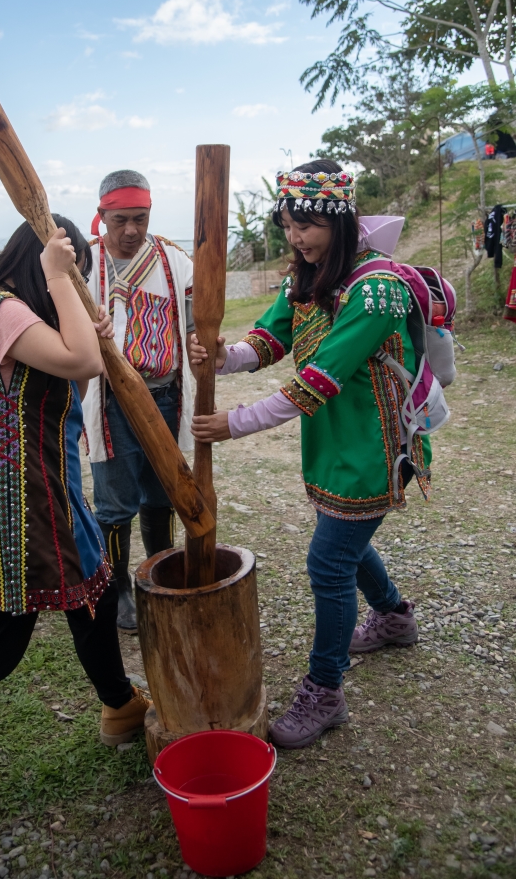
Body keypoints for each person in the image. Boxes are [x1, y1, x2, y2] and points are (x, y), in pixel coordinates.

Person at [0, 219, 150, 833]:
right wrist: (58, 279)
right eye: (74, 274)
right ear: (43, 263)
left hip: (46, 492)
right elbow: (83, 360)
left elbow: (76, 362)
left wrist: (75, 315)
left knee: (93, 597)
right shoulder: (1, 308)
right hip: (7, 506)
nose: (73, 285)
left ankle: (119, 706)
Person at [191, 161, 427, 750]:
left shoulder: (377, 289)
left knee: (328, 561)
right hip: (332, 441)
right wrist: (225, 356)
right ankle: (394, 617)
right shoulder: (307, 274)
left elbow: (318, 380)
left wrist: (234, 423)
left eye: (309, 225)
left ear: (340, 220)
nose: (297, 237)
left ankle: (326, 690)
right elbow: (270, 339)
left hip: (371, 444)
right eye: (290, 224)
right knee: (343, 540)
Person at [83, 170, 194, 631]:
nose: (131, 230)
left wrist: (199, 339)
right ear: (102, 216)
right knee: (114, 503)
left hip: (164, 394)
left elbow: (190, 321)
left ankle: (159, 574)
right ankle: (118, 591)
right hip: (111, 403)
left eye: (140, 219)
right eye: (120, 220)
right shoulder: (84, 265)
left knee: (162, 492)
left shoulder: (172, 259)